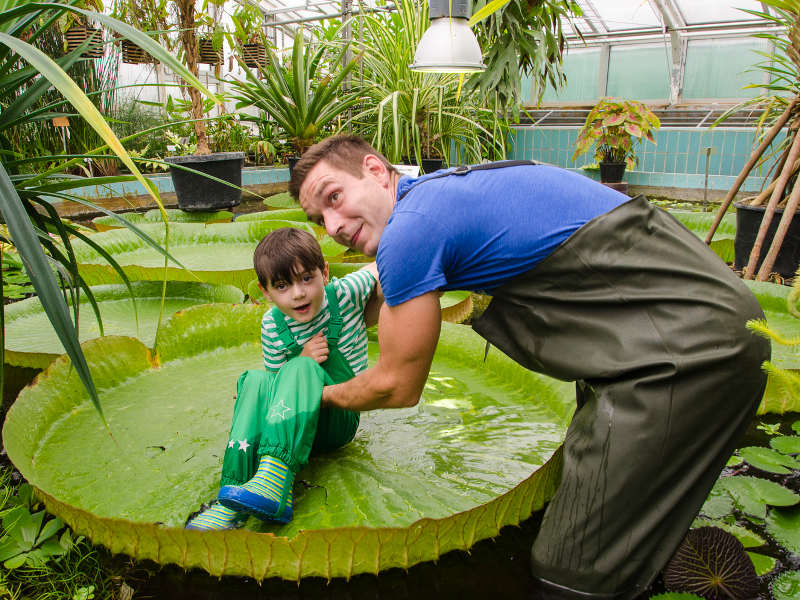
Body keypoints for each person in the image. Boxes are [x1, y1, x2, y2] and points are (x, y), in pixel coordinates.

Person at [289, 135, 770, 599]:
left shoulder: (411, 228)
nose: (332, 226)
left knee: (571, 568)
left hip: (686, 353)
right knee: (614, 512)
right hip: (699, 325)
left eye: (334, 197)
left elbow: (397, 386)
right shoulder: (441, 194)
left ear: (375, 170)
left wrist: (316, 396)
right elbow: (388, 292)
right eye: (318, 218)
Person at [186, 227, 381, 530]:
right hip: (294, 424)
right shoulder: (271, 326)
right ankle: (232, 497)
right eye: (282, 285)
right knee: (254, 380)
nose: (298, 293)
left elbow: (387, 262)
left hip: (338, 417)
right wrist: (298, 362)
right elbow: (278, 395)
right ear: (265, 292)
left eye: (306, 278)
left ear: (325, 273)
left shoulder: (345, 294)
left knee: (300, 368)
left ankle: (276, 482)